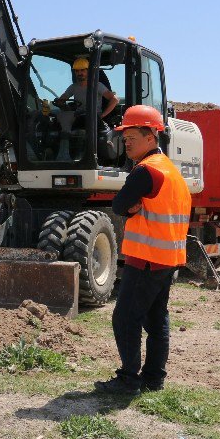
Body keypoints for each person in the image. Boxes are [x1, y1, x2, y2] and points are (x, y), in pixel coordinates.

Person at [94, 105, 191, 396]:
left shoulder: (145, 171)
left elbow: (119, 205)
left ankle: (128, 379)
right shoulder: (171, 172)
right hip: (168, 259)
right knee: (156, 318)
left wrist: (131, 208)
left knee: (125, 318)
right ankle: (153, 377)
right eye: (124, 138)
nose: (126, 143)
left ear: (151, 137)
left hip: (146, 259)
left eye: (132, 137)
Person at [52, 56, 119, 161]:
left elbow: (114, 100)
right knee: (56, 117)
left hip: (93, 117)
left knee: (81, 119)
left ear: (88, 71)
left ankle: (79, 156)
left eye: (82, 70)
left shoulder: (97, 85)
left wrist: (102, 116)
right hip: (78, 116)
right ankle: (60, 154)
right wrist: (61, 104)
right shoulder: (73, 87)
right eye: (77, 71)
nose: (80, 73)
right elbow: (61, 100)